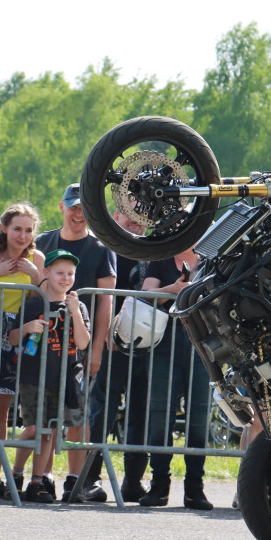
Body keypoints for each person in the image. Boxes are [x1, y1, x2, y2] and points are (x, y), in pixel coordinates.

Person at [32, 183, 116, 498]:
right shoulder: (43, 241)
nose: (78, 214)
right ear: (62, 207)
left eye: (83, 208)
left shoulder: (101, 247)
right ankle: (42, 477)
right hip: (46, 345)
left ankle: (75, 480)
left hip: (80, 343)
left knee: (78, 414)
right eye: (74, 206)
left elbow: (106, 300)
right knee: (47, 413)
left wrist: (96, 349)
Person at [10, 249, 91, 504]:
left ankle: (37, 480)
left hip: (64, 377)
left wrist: (76, 312)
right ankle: (18, 473)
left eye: (70, 273)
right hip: (34, 376)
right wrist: (26, 328)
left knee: (50, 429)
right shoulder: (34, 303)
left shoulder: (79, 305)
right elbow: (11, 337)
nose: (65, 278)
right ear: (46, 273)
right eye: (59, 273)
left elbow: (83, 342)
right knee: (35, 427)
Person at [81, 211, 152, 502]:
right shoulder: (104, 248)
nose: (136, 218)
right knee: (101, 412)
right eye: (130, 212)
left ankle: (133, 481)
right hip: (111, 343)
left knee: (141, 414)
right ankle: (88, 478)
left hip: (147, 344)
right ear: (116, 214)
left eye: (142, 212)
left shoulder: (154, 249)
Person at [138, 246, 214, 510]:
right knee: (159, 414)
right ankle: (159, 484)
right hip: (164, 343)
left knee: (199, 417)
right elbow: (145, 295)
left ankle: (195, 487)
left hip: (204, 344)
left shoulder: (212, 258)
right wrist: (172, 290)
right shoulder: (160, 259)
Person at [0, 203, 46, 499]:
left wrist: (36, 276)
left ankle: (29, 476)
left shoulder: (37, 258)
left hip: (26, 332)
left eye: (28, 230)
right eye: (17, 229)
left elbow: (47, 296)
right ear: (5, 229)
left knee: (13, 410)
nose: (22, 236)